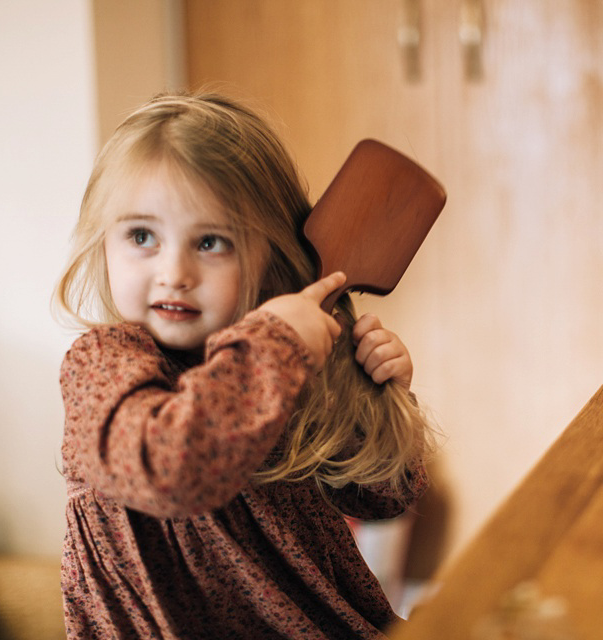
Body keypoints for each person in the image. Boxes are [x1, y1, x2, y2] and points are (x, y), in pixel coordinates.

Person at [53, 92, 436, 639]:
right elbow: (170, 471)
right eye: (142, 237)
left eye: (210, 242)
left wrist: (377, 398)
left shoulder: (278, 358)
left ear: (267, 255)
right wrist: (275, 346)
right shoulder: (102, 364)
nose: (173, 271)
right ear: (104, 243)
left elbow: (382, 498)